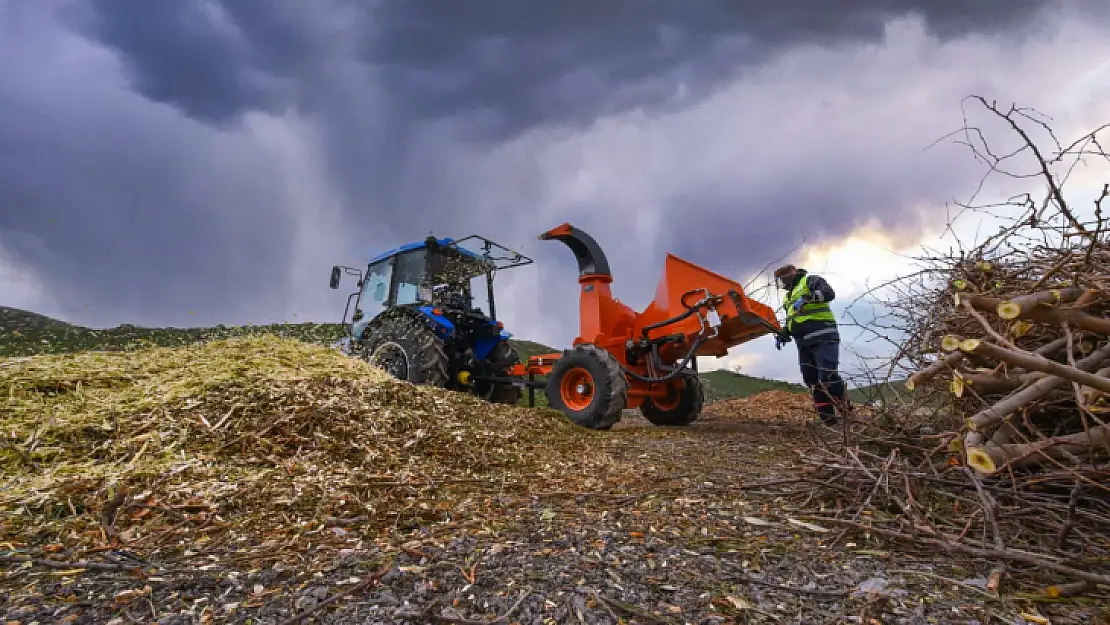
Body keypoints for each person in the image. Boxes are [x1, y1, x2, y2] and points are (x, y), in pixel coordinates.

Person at [772, 264, 850, 425]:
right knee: (812, 381)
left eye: (784, 276)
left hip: (823, 336)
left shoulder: (810, 281)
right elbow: (793, 318)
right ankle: (828, 421)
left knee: (827, 376)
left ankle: (846, 413)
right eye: (780, 278)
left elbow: (829, 293)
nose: (783, 280)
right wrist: (784, 333)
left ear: (793, 272)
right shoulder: (788, 297)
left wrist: (808, 298)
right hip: (803, 343)